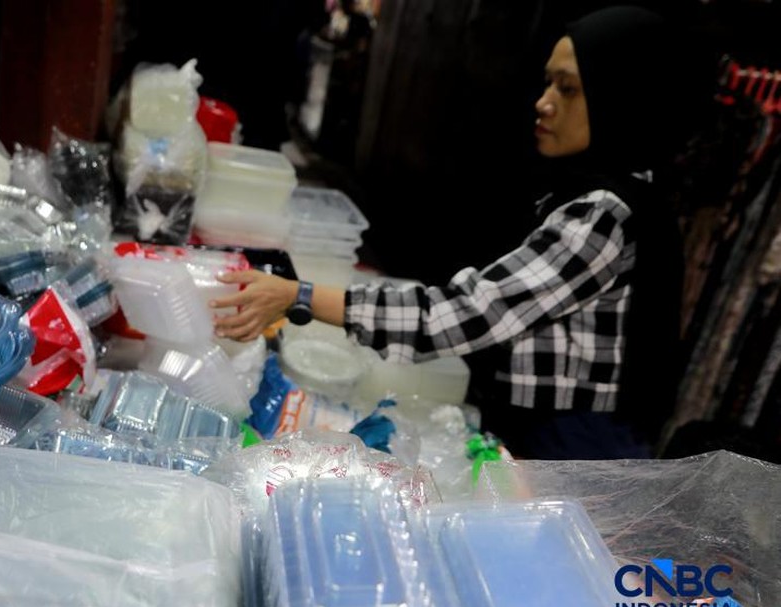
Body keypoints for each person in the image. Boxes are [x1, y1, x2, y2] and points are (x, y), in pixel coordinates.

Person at [212, 6, 689, 460]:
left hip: (574, 451)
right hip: (552, 436)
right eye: (548, 84)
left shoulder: (605, 214)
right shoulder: (597, 191)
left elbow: (469, 314)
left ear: (620, 97)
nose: (543, 103)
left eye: (568, 90)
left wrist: (300, 296)